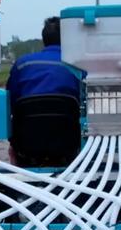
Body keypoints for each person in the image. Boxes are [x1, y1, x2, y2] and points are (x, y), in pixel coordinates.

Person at [7, 17, 82, 167]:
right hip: (68, 145)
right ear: (68, 39)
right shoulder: (78, 66)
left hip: (26, 144)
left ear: (44, 39)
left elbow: (10, 102)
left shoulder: (23, 64)